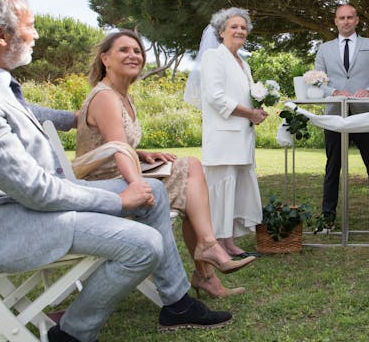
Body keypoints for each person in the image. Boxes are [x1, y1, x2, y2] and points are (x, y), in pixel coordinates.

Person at [0, 0, 231, 342]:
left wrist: (75, 117)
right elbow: (33, 189)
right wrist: (119, 200)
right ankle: (74, 334)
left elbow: (26, 113)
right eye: (29, 25)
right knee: (143, 244)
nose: (36, 34)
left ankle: (177, 303)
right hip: (9, 223)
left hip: (33, 205)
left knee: (150, 188)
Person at [74, 30, 254, 299]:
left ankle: (207, 262)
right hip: (105, 186)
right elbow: (119, 149)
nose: (133, 55)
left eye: (137, 51)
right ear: (105, 59)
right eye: (124, 50)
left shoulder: (122, 95)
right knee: (191, 174)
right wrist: (137, 185)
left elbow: (115, 143)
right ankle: (207, 260)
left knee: (191, 179)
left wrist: (143, 153)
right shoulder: (106, 97)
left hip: (118, 170)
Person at [313, 4, 369, 229]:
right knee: (332, 167)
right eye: (341, 18)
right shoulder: (324, 49)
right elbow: (317, 80)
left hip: (366, 114)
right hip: (336, 115)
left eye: (350, 17)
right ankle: (328, 217)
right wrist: (334, 92)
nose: (345, 21)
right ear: (335, 21)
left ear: (357, 20)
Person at [200, 7, 268, 257]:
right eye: (234, 27)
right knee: (220, 191)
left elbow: (243, 96)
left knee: (234, 190)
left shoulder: (244, 64)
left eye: (243, 27)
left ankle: (228, 242)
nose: (240, 30)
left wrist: (256, 111)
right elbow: (216, 97)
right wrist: (249, 113)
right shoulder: (212, 57)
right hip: (222, 138)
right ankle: (215, 243)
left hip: (242, 137)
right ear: (221, 32)